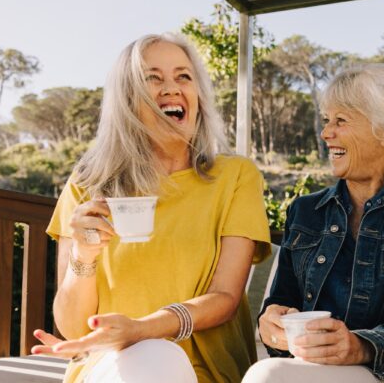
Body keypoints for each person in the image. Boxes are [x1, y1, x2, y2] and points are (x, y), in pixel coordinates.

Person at [32, 33, 271, 383]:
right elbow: (72, 329)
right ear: (128, 99)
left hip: (207, 371)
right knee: (149, 360)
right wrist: (83, 255)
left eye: (183, 77)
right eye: (153, 78)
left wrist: (142, 329)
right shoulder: (88, 182)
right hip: (112, 366)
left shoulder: (235, 176)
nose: (172, 88)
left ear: (198, 97)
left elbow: (225, 298)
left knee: (156, 354)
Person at [243, 64, 384, 382]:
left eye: (340, 121)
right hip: (308, 371)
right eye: (327, 120)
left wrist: (361, 348)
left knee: (267, 376)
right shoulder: (305, 210)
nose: (326, 133)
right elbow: (281, 301)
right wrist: (271, 325)